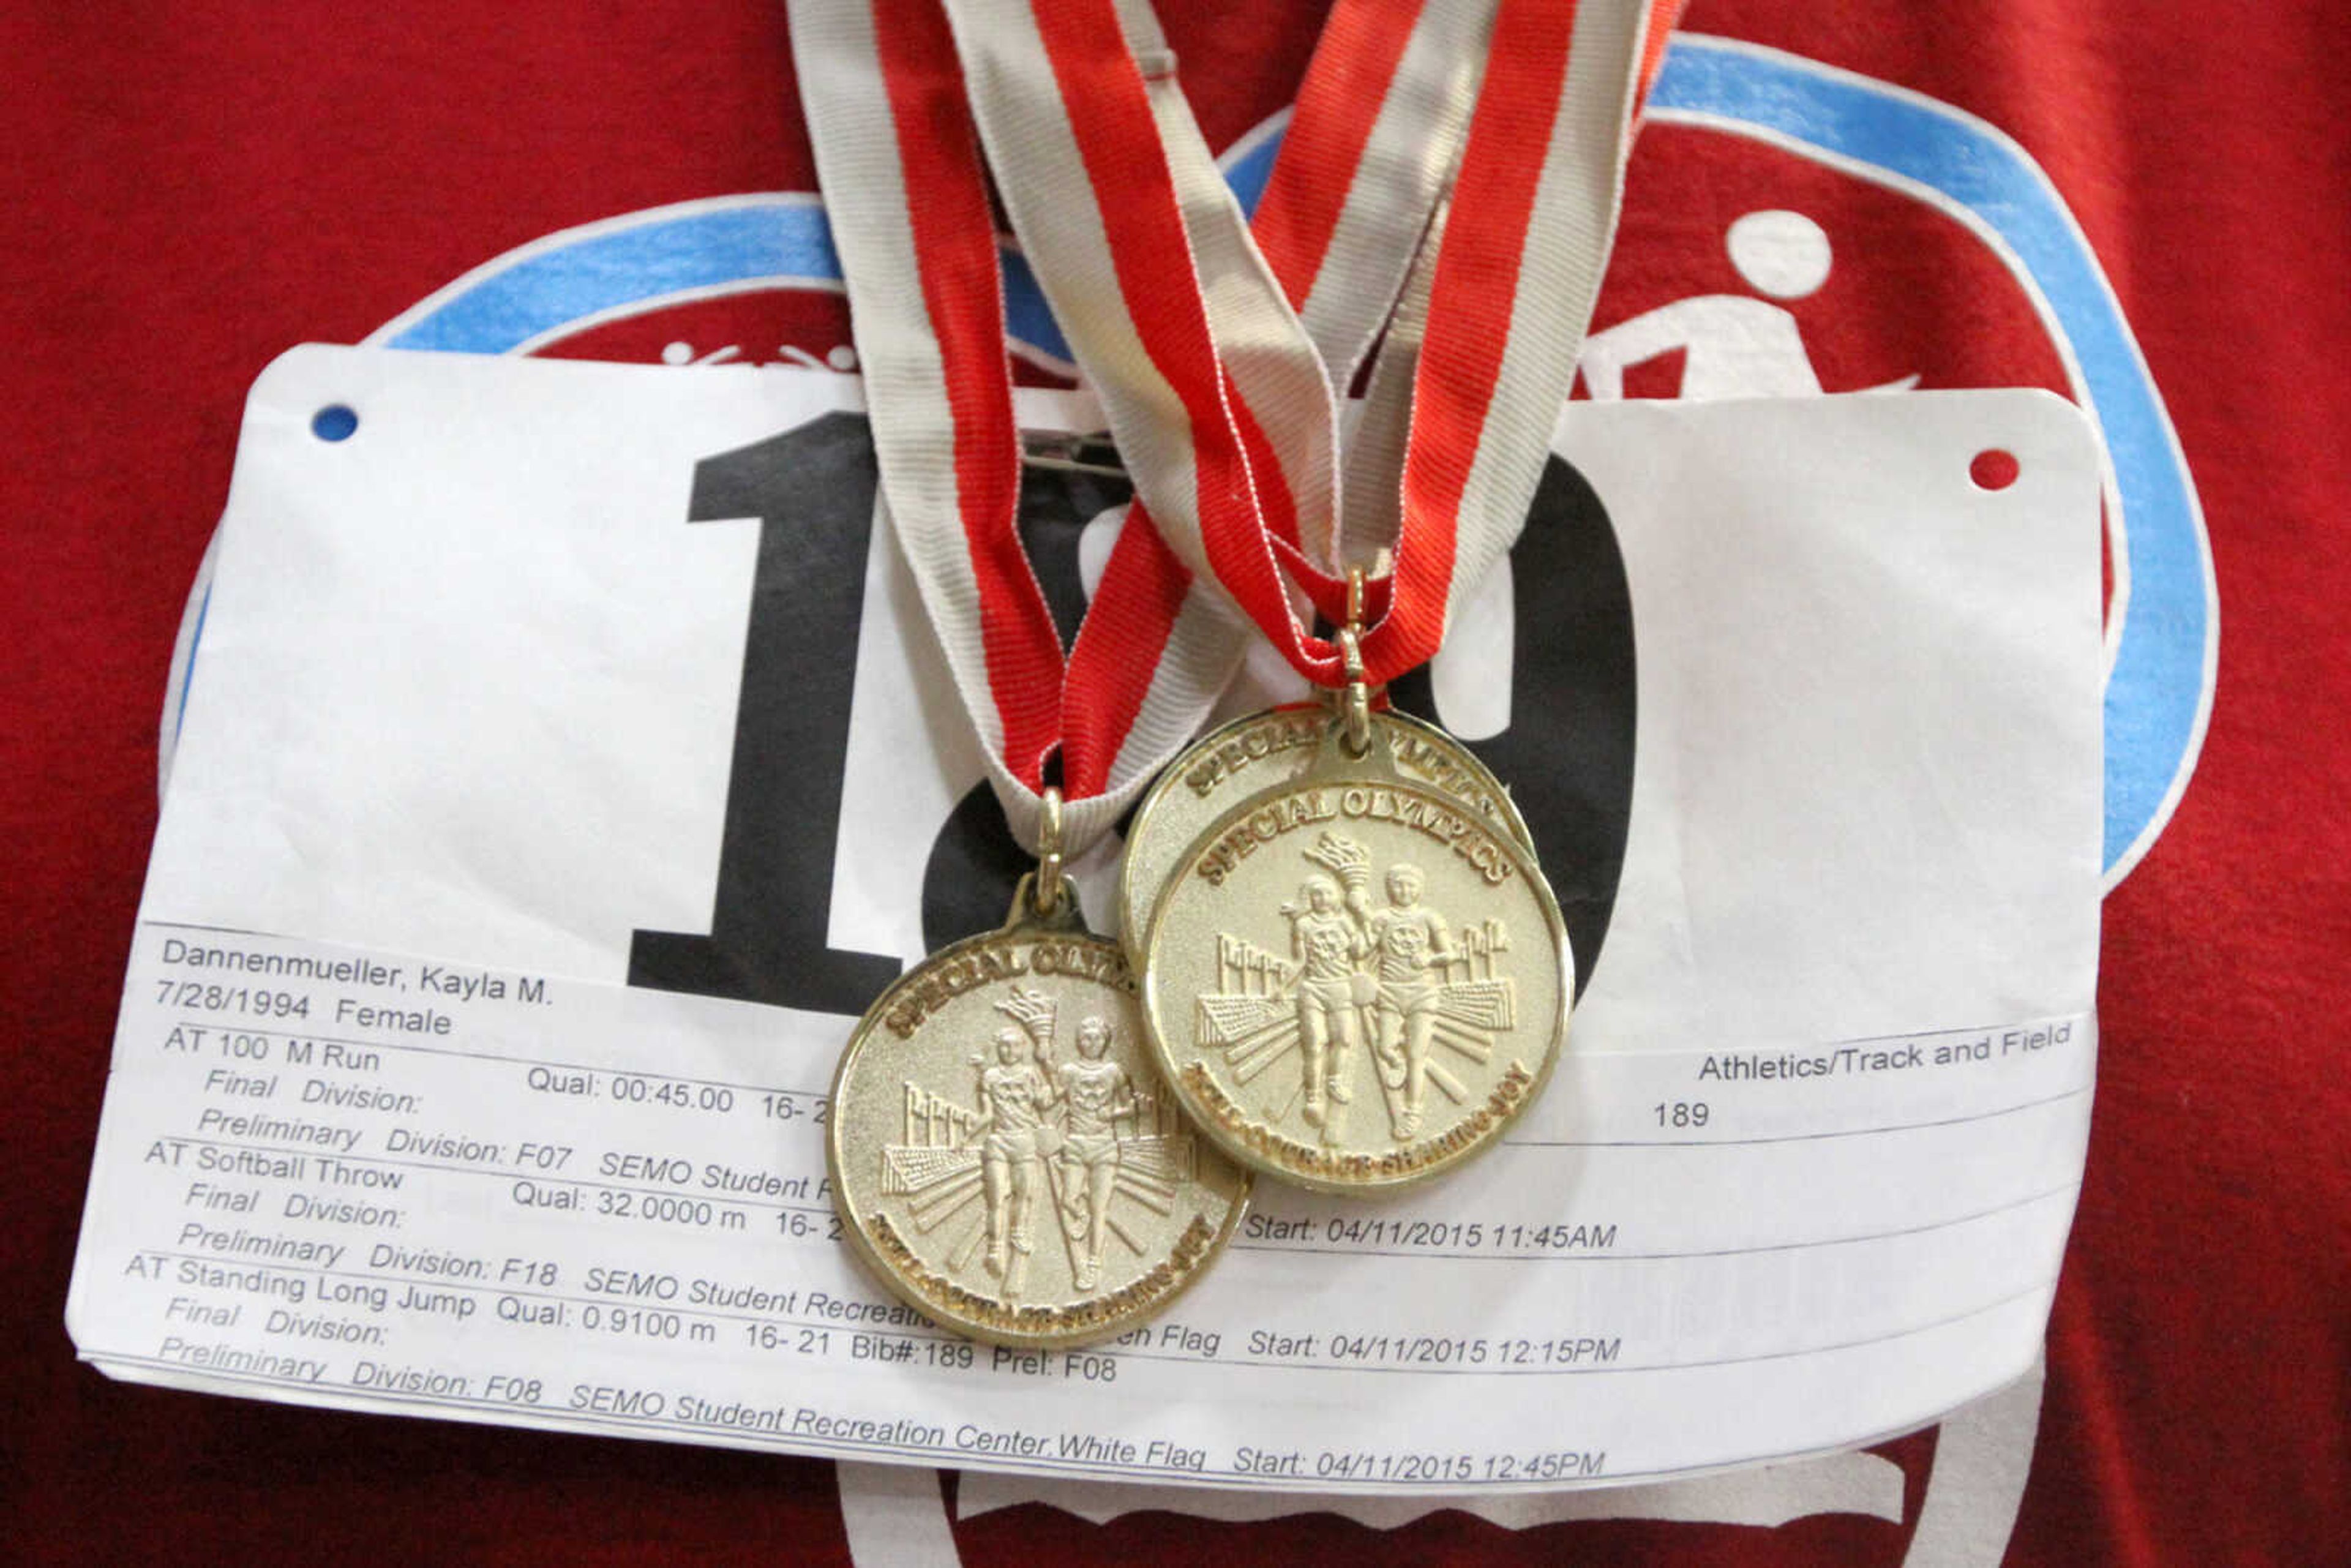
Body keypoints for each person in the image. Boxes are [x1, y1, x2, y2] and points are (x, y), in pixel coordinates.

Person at [1365, 863, 1453, 1139]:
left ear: (1420, 888)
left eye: (1411, 885)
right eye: (1399, 885)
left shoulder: (1430, 917)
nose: (1405, 891)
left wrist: (1430, 958)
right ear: (1390, 888)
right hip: (1390, 991)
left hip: (1422, 992)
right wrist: (1361, 923)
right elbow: (1362, 947)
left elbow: (1449, 954)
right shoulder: (1381, 918)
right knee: (1385, 1046)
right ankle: (1396, 1062)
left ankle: (1412, 1114)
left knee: (1417, 1055)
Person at [1054, 1015, 1135, 1289]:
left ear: (1106, 1041)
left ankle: (1093, 1265)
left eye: (1097, 1038)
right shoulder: (1068, 1071)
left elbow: (1131, 1106)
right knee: (1068, 1199)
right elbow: (1048, 1098)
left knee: (1099, 1209)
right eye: (1087, 1037)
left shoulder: (1114, 1071)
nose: (1092, 1043)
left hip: (1104, 1145)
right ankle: (1080, 1215)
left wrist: (1112, 1112)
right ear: (1079, 1041)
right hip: (1076, 1143)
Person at [969, 1024, 1056, 1281]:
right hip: (998, 1142)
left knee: (1024, 1194)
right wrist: (967, 1138)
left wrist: (1049, 1077)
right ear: (998, 1048)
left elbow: (1045, 1103)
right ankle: (995, 1250)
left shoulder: (1031, 1074)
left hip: (1025, 1142)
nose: (1009, 1050)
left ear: (1023, 1049)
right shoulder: (991, 1077)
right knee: (996, 1199)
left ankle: (1018, 1231)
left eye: (1015, 1045)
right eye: (1004, 1045)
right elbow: (987, 1115)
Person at [1284, 874, 1367, 1128]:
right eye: (1317, 894)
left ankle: (1334, 1080)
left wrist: (1362, 919)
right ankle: (1313, 1098)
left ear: (1337, 898)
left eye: (1328, 893)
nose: (1322, 899)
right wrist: (1282, 988)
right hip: (1313, 990)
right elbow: (1299, 961)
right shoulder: (1303, 925)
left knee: (1344, 1039)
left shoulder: (1344, 922)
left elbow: (1358, 952)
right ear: (1310, 899)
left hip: (1340, 988)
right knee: (1315, 1044)